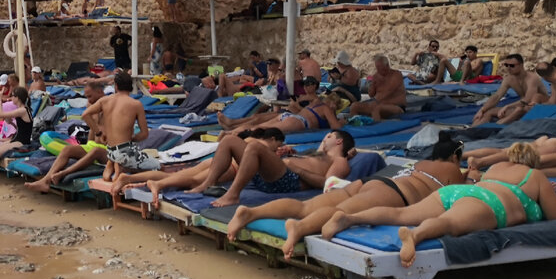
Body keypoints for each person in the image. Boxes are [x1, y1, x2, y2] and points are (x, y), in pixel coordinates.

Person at [323, 143, 556, 268]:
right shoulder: (535, 176)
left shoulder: (495, 169)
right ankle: (415, 235)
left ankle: (348, 218)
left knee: (402, 213)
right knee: (449, 223)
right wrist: (548, 192)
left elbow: (474, 180)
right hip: (490, 203)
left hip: (458, 191)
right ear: (534, 162)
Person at [225, 131, 467, 257]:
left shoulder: (418, 163)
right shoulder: (453, 170)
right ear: (455, 157)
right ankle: (299, 229)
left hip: (372, 182)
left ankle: (251, 213)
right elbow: (462, 194)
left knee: (306, 206)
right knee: (343, 213)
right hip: (394, 192)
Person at [112, 128, 288, 209]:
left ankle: (129, 178)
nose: (280, 146)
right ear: (272, 138)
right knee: (195, 181)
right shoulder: (264, 145)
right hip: (233, 166)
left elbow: (225, 137)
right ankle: (158, 185)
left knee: (181, 174)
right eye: (279, 143)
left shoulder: (247, 137)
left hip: (218, 159)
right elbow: (262, 159)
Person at [196, 129, 355, 207]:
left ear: (339, 142)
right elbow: (321, 148)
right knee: (229, 140)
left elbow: (328, 184)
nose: (325, 138)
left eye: (329, 136)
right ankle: (208, 183)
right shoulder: (319, 153)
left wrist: (297, 169)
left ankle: (232, 195)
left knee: (255, 147)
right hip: (274, 175)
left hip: (288, 180)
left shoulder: (340, 160)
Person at [23, 81, 108, 192]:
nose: (89, 100)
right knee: (67, 149)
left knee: (95, 151)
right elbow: (92, 129)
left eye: (90, 96)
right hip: (93, 145)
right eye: (87, 97)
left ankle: (62, 173)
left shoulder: (109, 106)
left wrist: (100, 135)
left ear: (100, 92)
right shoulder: (91, 105)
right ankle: (45, 181)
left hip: (106, 150)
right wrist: (87, 144)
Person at [80, 71, 151, 180]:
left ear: (116, 86)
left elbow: (85, 115)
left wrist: (98, 132)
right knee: (157, 166)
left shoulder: (105, 100)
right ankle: (120, 169)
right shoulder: (136, 104)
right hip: (125, 149)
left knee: (116, 151)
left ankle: (111, 163)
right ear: (131, 86)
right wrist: (132, 139)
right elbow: (144, 134)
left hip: (110, 149)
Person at [472, 53, 549, 125]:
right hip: (522, 107)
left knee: (519, 109)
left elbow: (528, 99)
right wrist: (482, 110)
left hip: (537, 107)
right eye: (506, 65)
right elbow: (497, 96)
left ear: (521, 65)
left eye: (512, 66)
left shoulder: (532, 78)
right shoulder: (509, 79)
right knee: (488, 112)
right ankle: (472, 130)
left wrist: (508, 106)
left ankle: (500, 124)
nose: (508, 68)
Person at [347, 54, 406, 122]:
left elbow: (388, 91)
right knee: (354, 106)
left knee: (376, 108)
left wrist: (377, 100)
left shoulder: (396, 75)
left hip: (396, 106)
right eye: (377, 68)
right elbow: (371, 94)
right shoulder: (376, 76)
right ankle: (355, 125)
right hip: (378, 104)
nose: (378, 71)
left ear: (387, 66)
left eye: (381, 68)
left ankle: (375, 128)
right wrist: (373, 85)